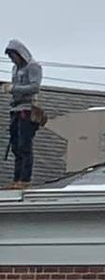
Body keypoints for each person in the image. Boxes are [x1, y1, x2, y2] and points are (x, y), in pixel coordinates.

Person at [6, 40, 43, 189]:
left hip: (27, 109)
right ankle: (17, 179)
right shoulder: (15, 68)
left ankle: (25, 179)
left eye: (13, 55)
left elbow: (35, 87)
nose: (12, 59)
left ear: (20, 53)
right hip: (15, 109)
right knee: (15, 145)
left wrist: (13, 89)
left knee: (24, 144)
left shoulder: (33, 66)